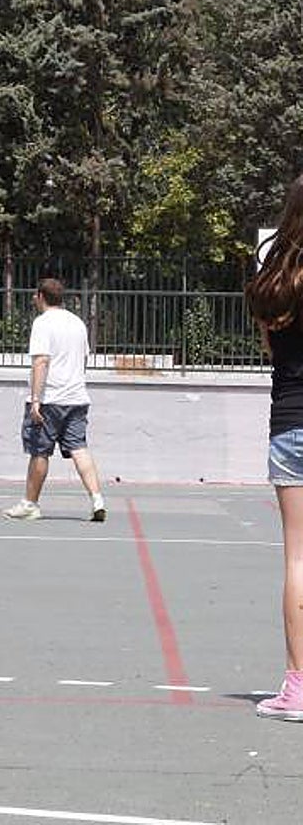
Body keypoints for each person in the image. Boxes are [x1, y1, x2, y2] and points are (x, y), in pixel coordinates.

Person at [245, 171, 303, 722]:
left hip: (290, 421)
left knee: (297, 556)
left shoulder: (276, 278)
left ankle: (298, 684)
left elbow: (271, 346)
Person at [2, 278, 106, 522]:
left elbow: (41, 361)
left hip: (50, 399)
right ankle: (97, 498)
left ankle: (30, 504)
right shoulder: (78, 323)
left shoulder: (43, 323)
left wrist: (36, 400)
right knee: (79, 448)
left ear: (40, 296)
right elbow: (84, 360)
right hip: (76, 398)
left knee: (40, 451)